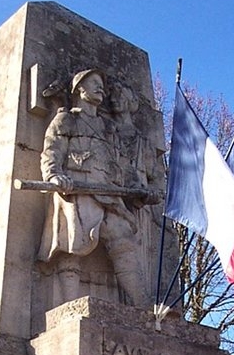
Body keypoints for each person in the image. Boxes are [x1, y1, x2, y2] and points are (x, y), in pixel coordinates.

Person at [37, 69, 151, 307]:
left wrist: (137, 187)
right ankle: (68, 306)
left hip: (108, 192)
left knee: (123, 239)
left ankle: (143, 306)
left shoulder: (109, 128)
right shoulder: (66, 119)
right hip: (77, 188)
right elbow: (52, 151)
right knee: (73, 244)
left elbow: (120, 162)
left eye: (102, 84)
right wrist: (54, 175)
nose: (101, 89)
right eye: (94, 84)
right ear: (80, 89)